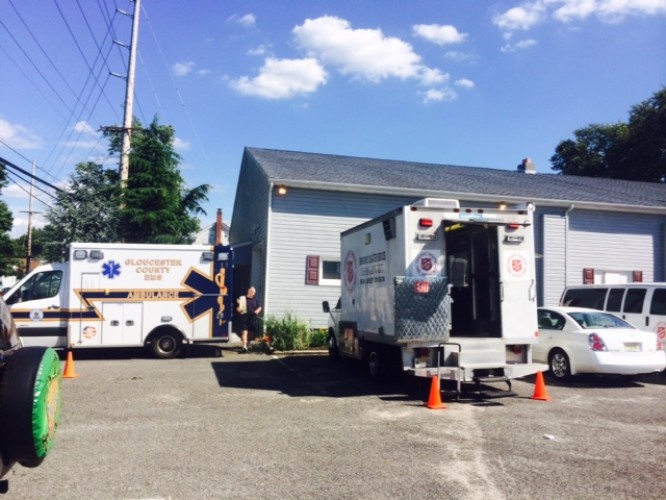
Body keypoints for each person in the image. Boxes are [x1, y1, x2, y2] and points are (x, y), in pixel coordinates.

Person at [237, 286, 262, 352]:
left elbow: (260, 307)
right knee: (244, 332)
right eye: (251, 291)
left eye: (253, 292)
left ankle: (247, 343)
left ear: (254, 293)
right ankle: (244, 346)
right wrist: (239, 310)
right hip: (244, 318)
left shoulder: (256, 299)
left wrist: (257, 311)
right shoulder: (243, 298)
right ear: (248, 291)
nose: (252, 293)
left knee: (251, 334)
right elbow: (238, 309)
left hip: (252, 318)